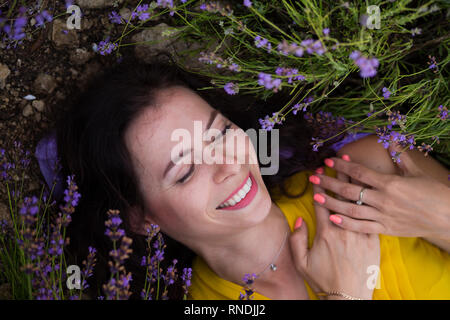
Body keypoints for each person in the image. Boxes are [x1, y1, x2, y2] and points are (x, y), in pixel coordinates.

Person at [42, 59, 449, 300]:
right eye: (185, 171)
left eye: (219, 133)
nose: (229, 165)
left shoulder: (365, 168)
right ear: (140, 219)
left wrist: (442, 215)